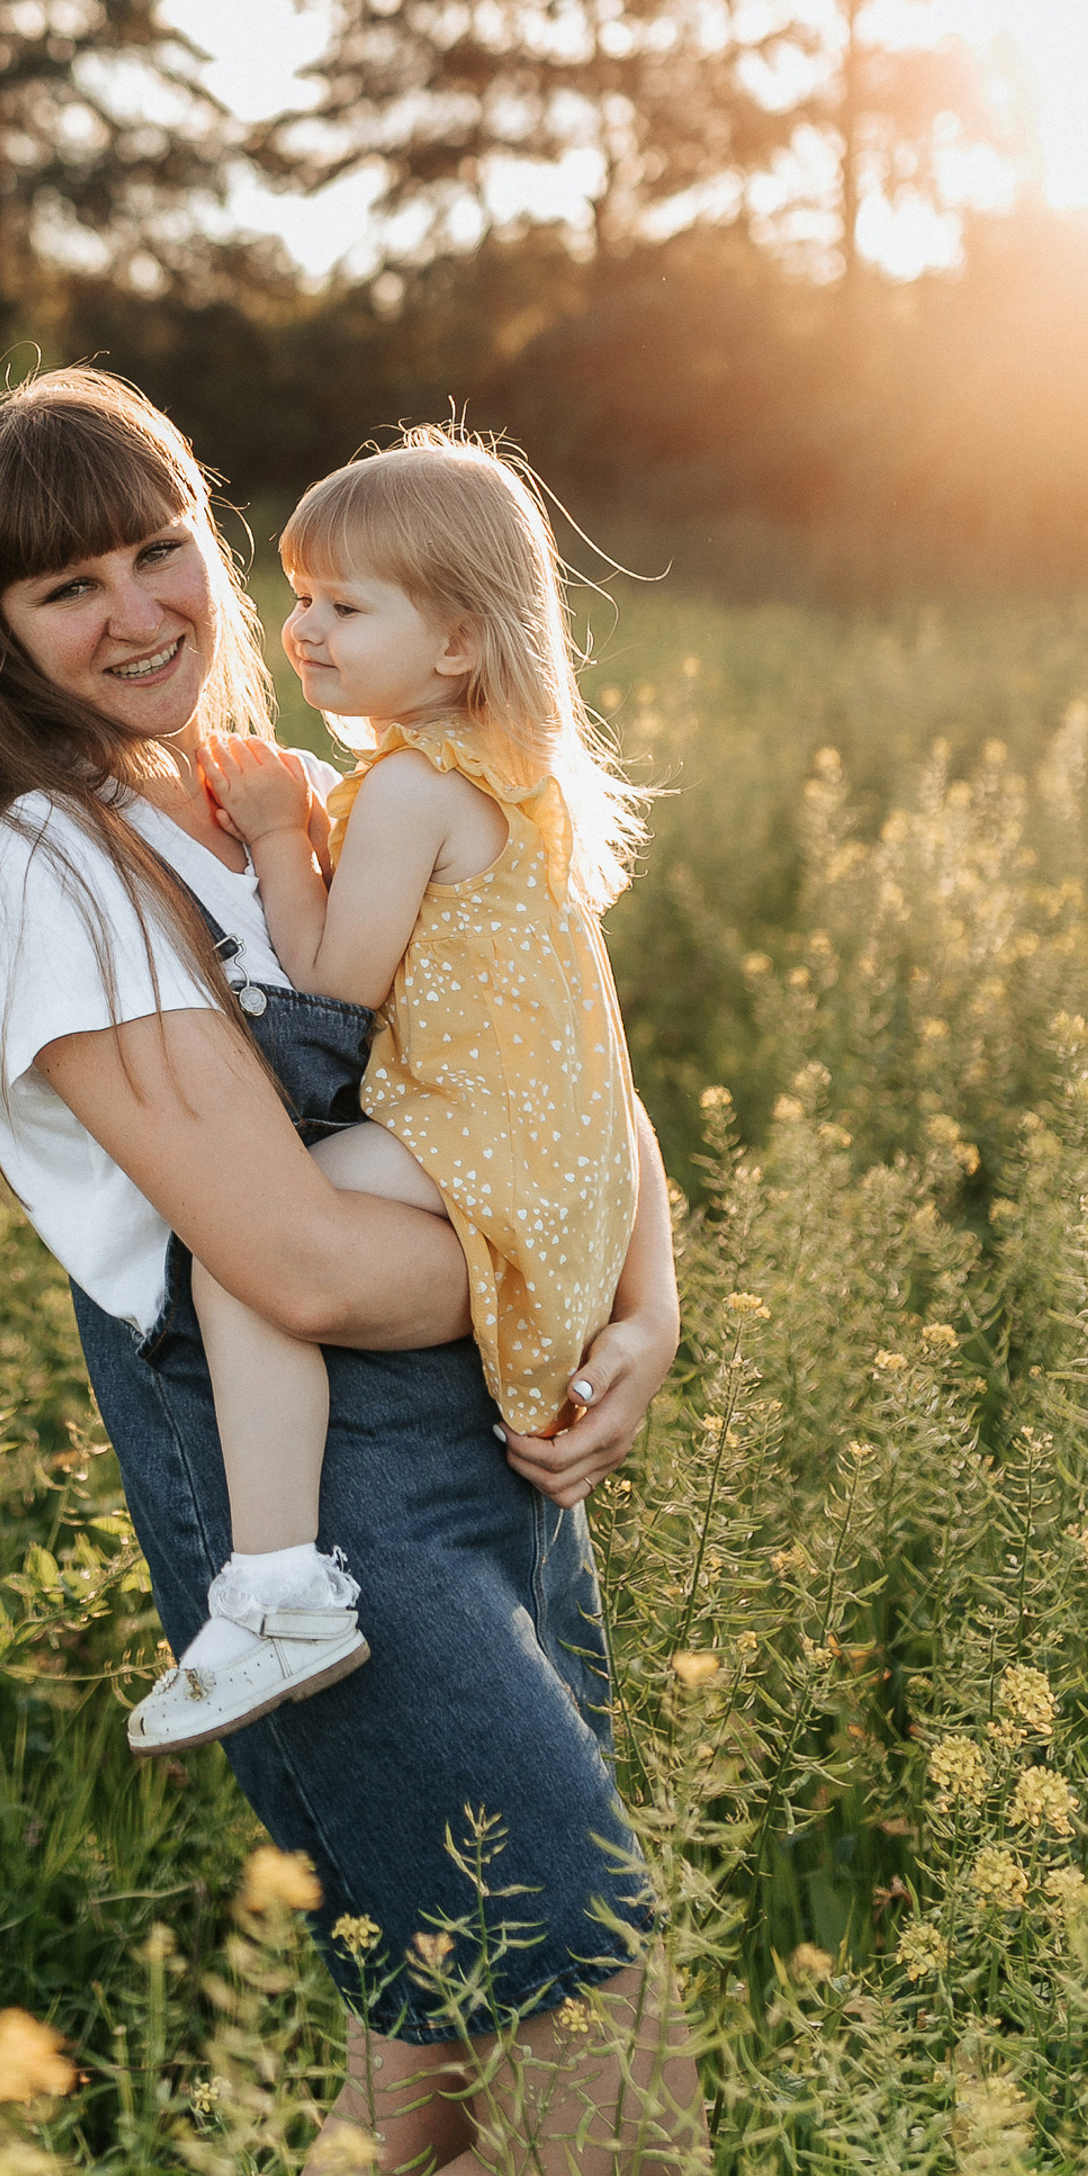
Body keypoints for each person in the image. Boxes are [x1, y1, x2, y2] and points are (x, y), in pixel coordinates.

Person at [0, 367, 703, 2176]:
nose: (141, 609)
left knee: (419, 2074)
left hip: (486, 1469)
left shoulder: (290, 798)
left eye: (160, 548)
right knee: (622, 2157)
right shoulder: (47, 870)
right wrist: (547, 1282)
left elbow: (545, 1058)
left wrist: (643, 1310)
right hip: (321, 1530)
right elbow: (307, 1268)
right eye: (65, 590)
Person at [129, 428, 646, 1758]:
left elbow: (329, 982)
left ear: (462, 641)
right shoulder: (504, 777)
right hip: (540, 1154)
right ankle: (280, 1583)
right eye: (299, 596)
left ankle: (278, 1582)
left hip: (467, 1142)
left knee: (241, 1251)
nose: (302, 631)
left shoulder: (412, 788)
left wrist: (277, 833)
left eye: (346, 607)